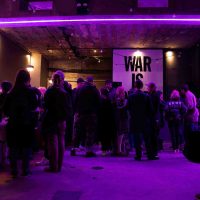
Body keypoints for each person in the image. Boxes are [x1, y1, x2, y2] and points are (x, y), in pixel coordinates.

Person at [4, 69, 38, 178]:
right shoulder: (30, 92)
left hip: (13, 124)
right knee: (26, 147)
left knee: (13, 147)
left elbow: (5, 109)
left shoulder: (11, 93)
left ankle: (14, 170)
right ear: (27, 79)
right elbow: (34, 106)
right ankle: (25, 169)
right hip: (26, 124)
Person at [43, 72, 70, 172]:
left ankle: (53, 166)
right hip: (62, 120)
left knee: (53, 142)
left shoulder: (50, 91)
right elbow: (68, 108)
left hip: (51, 119)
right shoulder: (65, 92)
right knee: (61, 141)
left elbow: (45, 105)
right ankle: (59, 166)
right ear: (63, 80)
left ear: (53, 79)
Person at [73, 76, 100, 157]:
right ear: (92, 82)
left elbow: (76, 100)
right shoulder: (94, 90)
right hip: (91, 114)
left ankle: (74, 149)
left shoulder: (80, 89)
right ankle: (88, 151)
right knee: (90, 132)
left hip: (81, 113)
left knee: (78, 132)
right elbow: (98, 102)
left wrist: (77, 111)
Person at [128, 80, 155, 160]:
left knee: (137, 139)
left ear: (135, 86)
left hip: (135, 120)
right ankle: (150, 155)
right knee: (147, 138)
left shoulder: (131, 96)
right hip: (145, 120)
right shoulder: (146, 96)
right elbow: (151, 110)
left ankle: (138, 155)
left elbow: (128, 108)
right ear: (142, 86)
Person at [98, 87, 115, 155]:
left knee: (103, 136)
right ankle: (107, 149)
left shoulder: (101, 101)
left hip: (102, 121)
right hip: (109, 121)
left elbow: (99, 111)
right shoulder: (109, 101)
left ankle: (104, 150)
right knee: (108, 135)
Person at [146, 82, 161, 159]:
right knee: (153, 136)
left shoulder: (153, 96)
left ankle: (154, 153)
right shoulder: (154, 95)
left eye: (148, 87)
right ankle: (153, 153)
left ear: (151, 88)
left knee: (153, 137)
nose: (147, 88)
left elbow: (153, 109)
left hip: (153, 119)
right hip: (154, 119)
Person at [115, 86, 129, 154]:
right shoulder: (118, 99)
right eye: (123, 91)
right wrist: (125, 102)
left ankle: (121, 149)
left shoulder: (122, 99)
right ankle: (119, 150)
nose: (124, 93)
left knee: (122, 133)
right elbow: (120, 107)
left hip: (123, 117)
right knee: (120, 133)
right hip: (120, 117)